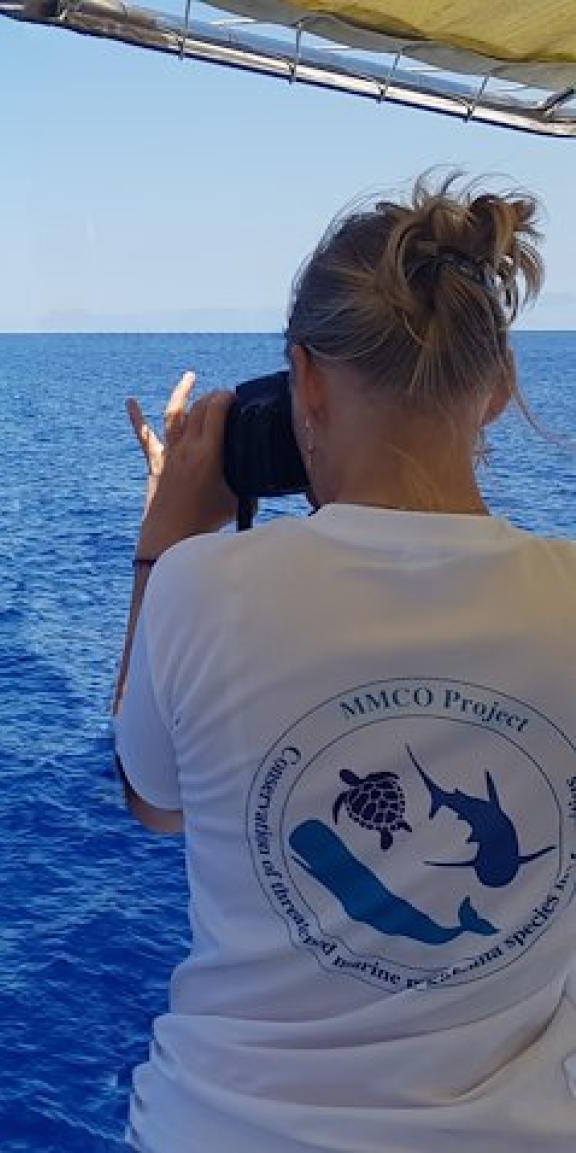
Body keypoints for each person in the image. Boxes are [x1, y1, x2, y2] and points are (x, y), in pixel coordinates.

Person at [112, 174, 576, 1152]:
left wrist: (164, 540)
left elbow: (152, 802)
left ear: (304, 383)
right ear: (493, 389)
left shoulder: (202, 586)